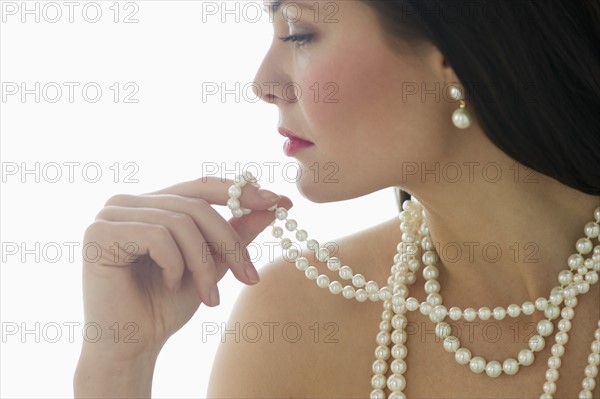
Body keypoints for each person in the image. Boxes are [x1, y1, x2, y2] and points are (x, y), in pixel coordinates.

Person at [73, 0, 600, 397]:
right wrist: (117, 364)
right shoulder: (289, 321)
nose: (263, 83)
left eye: (298, 33)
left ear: (458, 54)